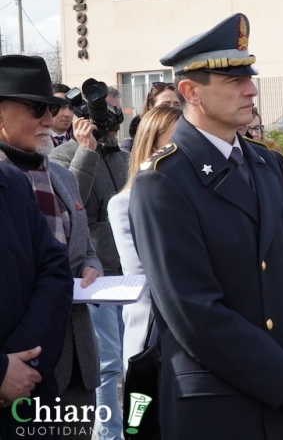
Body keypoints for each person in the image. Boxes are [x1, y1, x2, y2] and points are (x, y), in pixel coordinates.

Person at [128, 13, 283, 439]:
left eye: (249, 77)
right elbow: (194, 311)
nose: (251, 88)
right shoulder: (163, 180)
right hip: (219, 404)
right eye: (234, 80)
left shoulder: (267, 162)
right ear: (189, 92)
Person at [0, 55, 103, 440]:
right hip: (20, 368)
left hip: (76, 359)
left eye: (54, 108)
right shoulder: (9, 181)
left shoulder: (60, 174)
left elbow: (79, 250)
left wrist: (93, 265)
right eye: (37, 108)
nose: (49, 118)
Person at [50, 84, 128, 440]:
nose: (106, 117)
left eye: (112, 109)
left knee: (133, 362)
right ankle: (108, 435)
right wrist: (86, 152)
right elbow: (71, 205)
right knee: (108, 365)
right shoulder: (62, 156)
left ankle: (133, 429)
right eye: (99, 110)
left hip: (132, 276)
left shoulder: (123, 153)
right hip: (95, 280)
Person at [108, 106, 182, 371]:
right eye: (174, 143)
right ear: (151, 146)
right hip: (152, 332)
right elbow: (142, 275)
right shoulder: (123, 204)